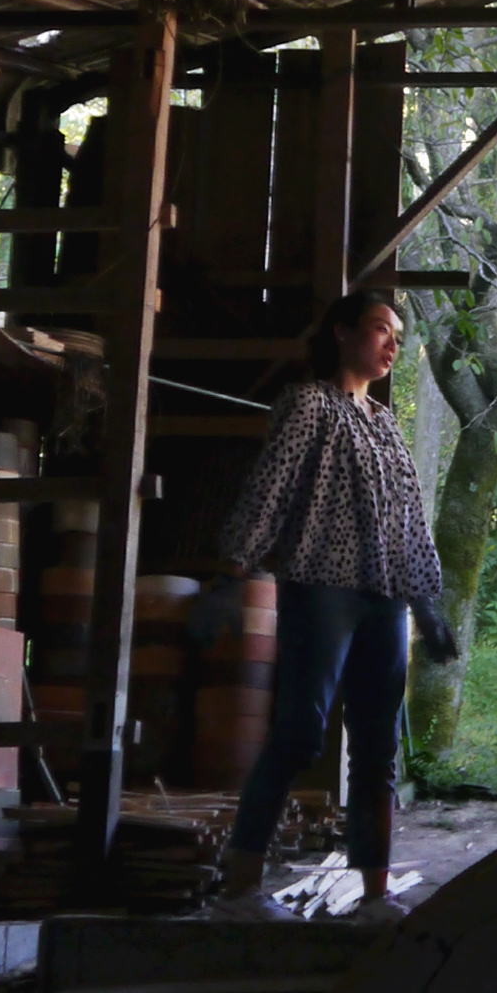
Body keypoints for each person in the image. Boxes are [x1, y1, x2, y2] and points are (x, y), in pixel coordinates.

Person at [200, 291, 456, 921]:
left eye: (397, 334)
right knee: (298, 734)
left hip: (385, 601)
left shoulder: (387, 425)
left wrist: (426, 603)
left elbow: (410, 525)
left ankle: (374, 896)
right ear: (342, 333)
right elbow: (272, 487)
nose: (392, 343)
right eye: (379, 329)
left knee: (376, 748)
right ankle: (238, 891)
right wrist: (230, 575)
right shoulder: (308, 404)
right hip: (322, 588)